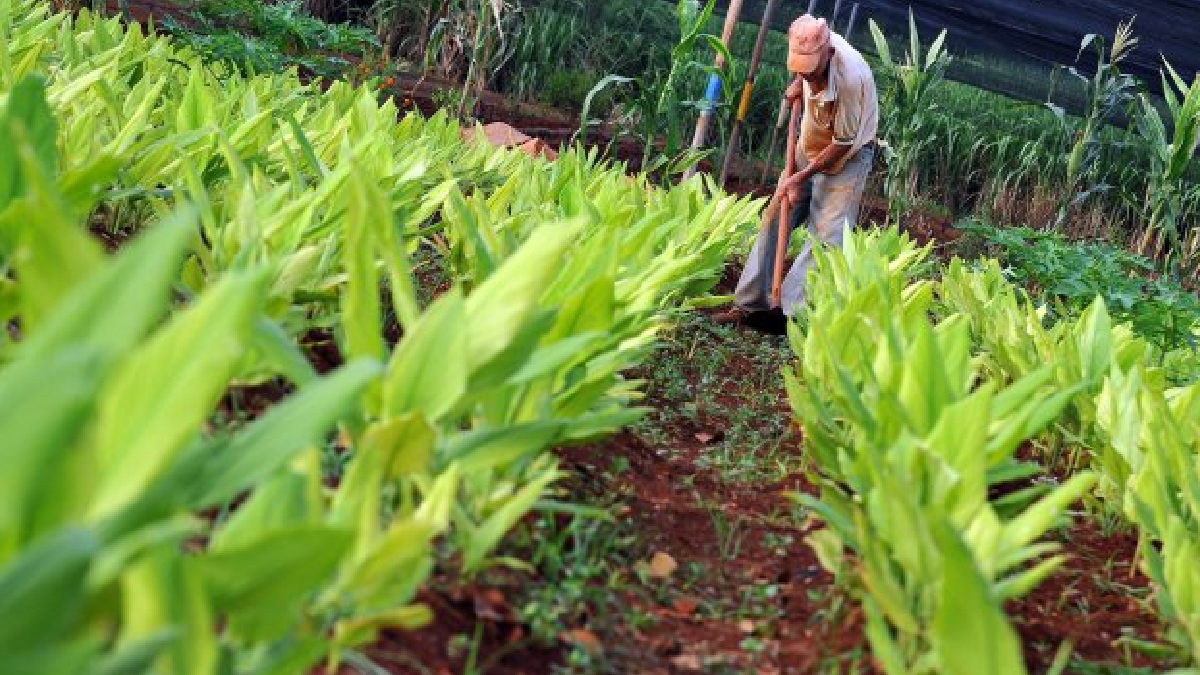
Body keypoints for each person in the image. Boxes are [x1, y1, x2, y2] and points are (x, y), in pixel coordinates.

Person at [714, 14, 878, 330]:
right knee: (776, 214)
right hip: (811, 142)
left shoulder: (851, 79)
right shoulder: (809, 52)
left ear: (829, 55)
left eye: (811, 73)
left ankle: (788, 316)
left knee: (827, 235)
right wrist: (798, 84)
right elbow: (806, 73)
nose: (807, 77)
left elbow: (842, 144)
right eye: (800, 70)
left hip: (849, 153)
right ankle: (749, 304)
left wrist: (797, 179)